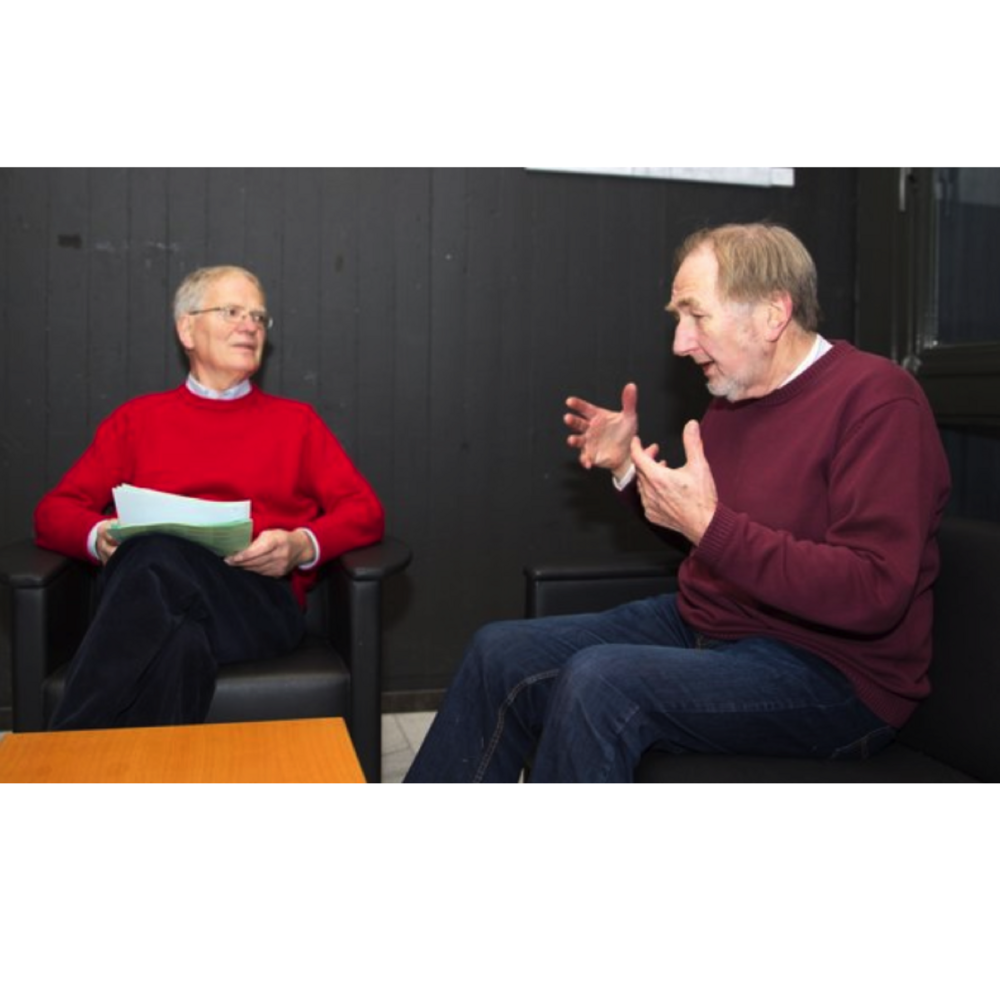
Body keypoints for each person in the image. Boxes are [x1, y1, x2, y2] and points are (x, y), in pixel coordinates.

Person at [406, 222, 951, 782]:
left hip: (833, 672)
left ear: (773, 314)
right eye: (677, 318)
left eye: (698, 316)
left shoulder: (879, 401)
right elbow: (709, 536)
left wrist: (710, 526)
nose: (680, 343)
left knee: (601, 681)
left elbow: (874, 590)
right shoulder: (735, 396)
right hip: (710, 624)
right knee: (497, 652)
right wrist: (626, 470)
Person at [35, 265, 384, 730]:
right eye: (232, 311)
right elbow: (53, 512)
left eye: (258, 317)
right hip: (151, 599)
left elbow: (365, 510)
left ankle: (61, 747)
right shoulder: (136, 421)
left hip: (255, 601)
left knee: (153, 555)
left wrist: (301, 545)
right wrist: (98, 535)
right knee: (179, 644)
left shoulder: (296, 423)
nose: (250, 326)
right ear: (187, 329)